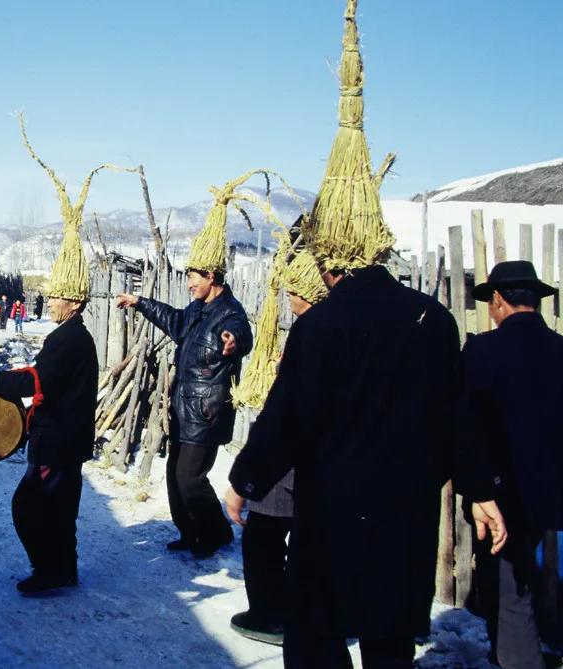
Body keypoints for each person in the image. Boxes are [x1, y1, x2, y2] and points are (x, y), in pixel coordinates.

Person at [224, 4, 505, 665]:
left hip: (331, 522)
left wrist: (245, 477)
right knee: (386, 646)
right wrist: (482, 489)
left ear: (328, 258)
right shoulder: (431, 321)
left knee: (317, 642)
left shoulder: (321, 325)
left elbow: (287, 417)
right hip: (404, 526)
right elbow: (457, 420)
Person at [0, 114, 105, 596]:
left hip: (58, 442)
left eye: (57, 296)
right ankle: (64, 569)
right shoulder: (72, 335)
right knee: (56, 508)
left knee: (33, 506)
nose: (50, 301)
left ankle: (51, 571)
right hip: (63, 439)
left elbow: (39, 382)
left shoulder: (70, 338)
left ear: (74, 301)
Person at [116, 201, 252, 559]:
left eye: (194, 276)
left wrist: (233, 342)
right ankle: (190, 531)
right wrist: (141, 302)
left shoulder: (229, 312)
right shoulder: (197, 309)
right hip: (183, 407)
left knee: (190, 479)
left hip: (206, 413)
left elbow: (241, 334)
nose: (189, 282)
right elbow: (175, 321)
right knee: (175, 478)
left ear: (212, 276)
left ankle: (214, 532)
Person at [458, 260, 562, 669]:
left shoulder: (484, 349)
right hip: (550, 488)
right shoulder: (559, 350)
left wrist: (479, 489)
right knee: (522, 579)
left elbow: (467, 427)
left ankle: (518, 660)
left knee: (508, 585)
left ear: (499, 300)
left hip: (500, 491)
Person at [230, 249, 327, 646]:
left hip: (287, 466)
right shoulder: (331, 330)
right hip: (313, 466)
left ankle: (270, 615)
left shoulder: (313, 331)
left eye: (292, 293)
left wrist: (244, 479)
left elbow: (288, 411)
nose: (288, 300)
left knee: (264, 540)